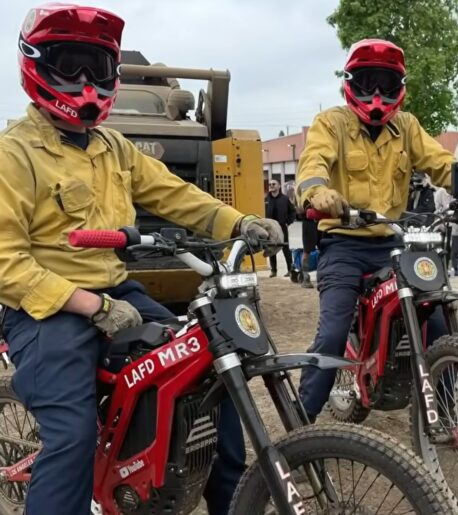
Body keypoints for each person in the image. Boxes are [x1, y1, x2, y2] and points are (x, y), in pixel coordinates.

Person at [0, 5, 283, 514]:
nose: (86, 81)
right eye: (70, 64)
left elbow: (175, 194)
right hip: (45, 311)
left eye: (98, 68)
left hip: (119, 295)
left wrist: (239, 223)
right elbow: (6, 264)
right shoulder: (13, 155)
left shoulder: (113, 147)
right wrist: (90, 305)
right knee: (71, 436)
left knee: (209, 373)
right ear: (37, 65)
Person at [294, 38, 458, 422]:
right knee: (332, 334)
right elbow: (314, 162)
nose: (376, 95)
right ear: (351, 83)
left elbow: (442, 163)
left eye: (385, 84)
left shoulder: (406, 126)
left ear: (399, 87)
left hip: (392, 242)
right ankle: (297, 427)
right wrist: (317, 192)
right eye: (367, 82)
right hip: (343, 244)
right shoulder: (332, 123)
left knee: (439, 319)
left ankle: (441, 417)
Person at [265, 178, 296, 277]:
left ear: (279, 186)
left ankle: (290, 270)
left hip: (282, 227)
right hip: (270, 228)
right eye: (270, 184)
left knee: (286, 249)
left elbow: (293, 211)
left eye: (273, 184)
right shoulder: (266, 199)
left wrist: (288, 222)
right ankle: (273, 271)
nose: (271, 186)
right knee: (271, 249)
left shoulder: (285, 199)